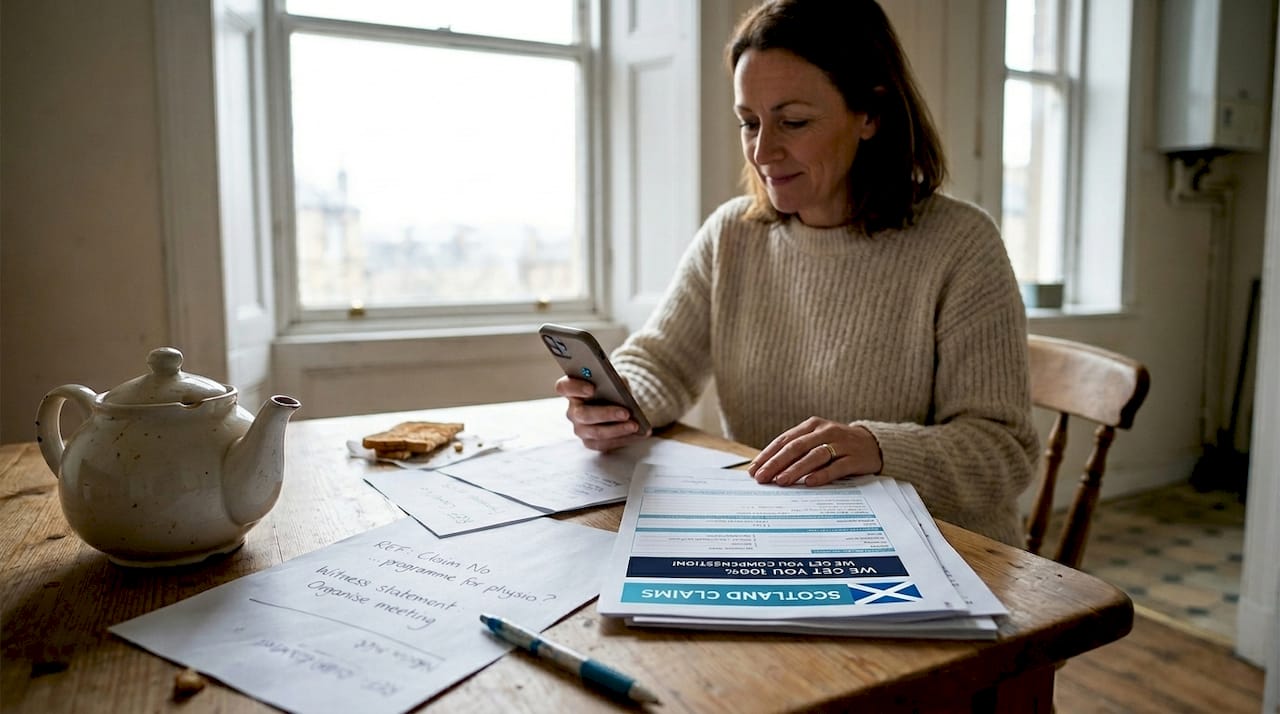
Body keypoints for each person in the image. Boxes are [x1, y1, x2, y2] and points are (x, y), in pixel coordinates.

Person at [554, 0, 1038, 547]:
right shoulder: (732, 234)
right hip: (779, 536)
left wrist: (875, 449)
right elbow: (658, 361)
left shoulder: (961, 244)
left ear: (870, 114)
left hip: (941, 553)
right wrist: (622, 403)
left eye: (794, 122)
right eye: (749, 122)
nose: (764, 151)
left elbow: (1004, 452)